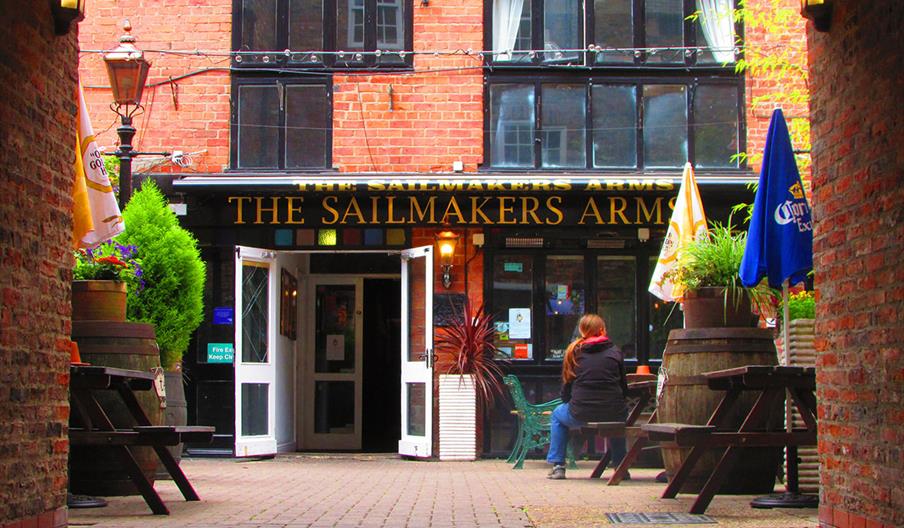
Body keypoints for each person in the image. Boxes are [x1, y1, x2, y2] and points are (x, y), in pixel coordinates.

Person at [546, 313, 628, 480]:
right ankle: (621, 467)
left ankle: (558, 466)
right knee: (617, 420)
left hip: (580, 411)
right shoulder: (615, 352)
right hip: (612, 411)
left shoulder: (574, 352)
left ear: (581, 330)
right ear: (603, 330)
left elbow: (566, 386)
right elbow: (623, 386)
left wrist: (568, 401)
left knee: (556, 414)